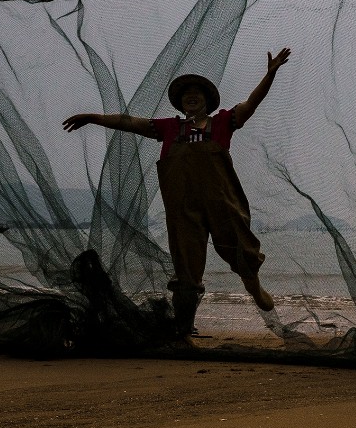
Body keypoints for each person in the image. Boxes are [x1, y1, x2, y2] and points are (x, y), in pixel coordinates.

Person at [63, 48, 290, 335]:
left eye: (197, 93)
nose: (192, 96)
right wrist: (94, 117)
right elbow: (128, 122)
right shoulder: (169, 128)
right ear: (181, 103)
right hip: (183, 209)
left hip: (223, 203)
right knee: (185, 269)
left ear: (207, 101)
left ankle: (254, 287)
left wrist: (270, 74)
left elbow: (251, 103)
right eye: (186, 94)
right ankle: (185, 328)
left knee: (242, 251)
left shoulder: (222, 123)